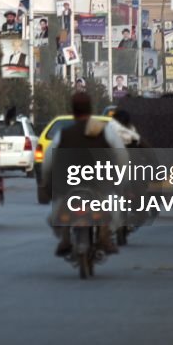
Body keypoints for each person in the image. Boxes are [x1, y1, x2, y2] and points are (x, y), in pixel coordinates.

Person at [39, 92, 127, 256]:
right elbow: (122, 156)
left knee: (55, 216)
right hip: (100, 186)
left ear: (73, 111)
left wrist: (45, 180)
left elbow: (47, 161)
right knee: (114, 211)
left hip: (68, 187)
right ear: (90, 109)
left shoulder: (63, 134)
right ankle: (105, 236)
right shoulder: (104, 131)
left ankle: (65, 238)